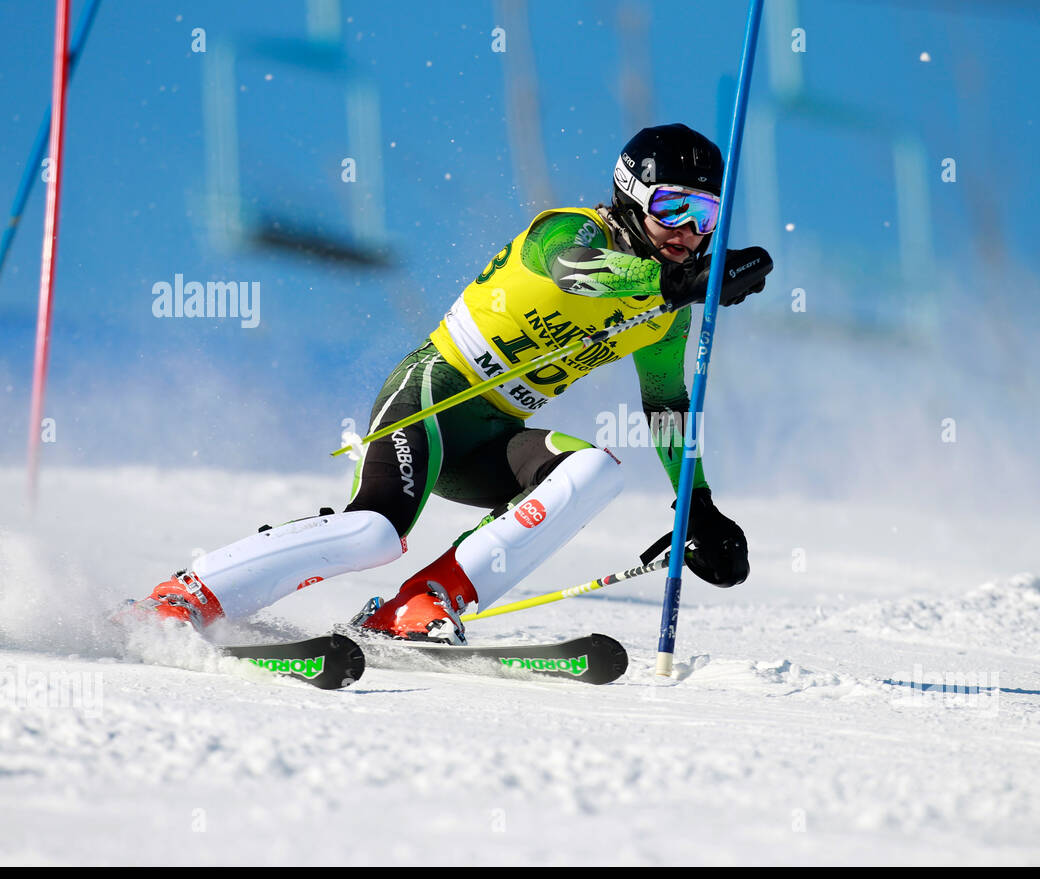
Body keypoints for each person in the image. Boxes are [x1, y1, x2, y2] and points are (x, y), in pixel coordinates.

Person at [126, 123, 772, 644]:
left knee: (597, 470)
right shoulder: (572, 231)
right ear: (632, 197)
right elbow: (577, 271)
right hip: (431, 400)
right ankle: (190, 592)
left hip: (493, 437)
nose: (689, 231)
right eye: (673, 207)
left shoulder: (665, 314)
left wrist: (700, 503)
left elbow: (665, 406)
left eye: (706, 215)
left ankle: (421, 604)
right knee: (375, 532)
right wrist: (676, 284)